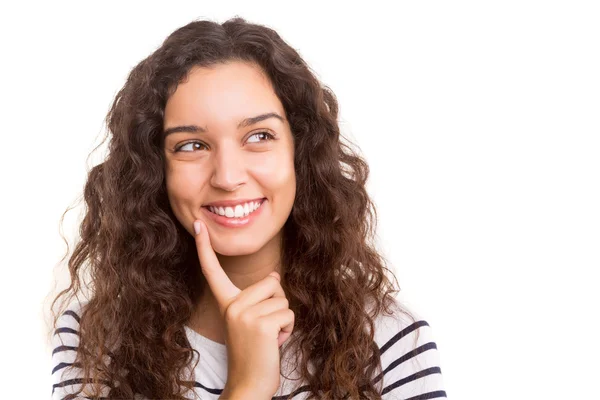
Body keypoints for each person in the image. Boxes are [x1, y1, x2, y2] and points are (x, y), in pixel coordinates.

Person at [48, 17, 447, 400]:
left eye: (259, 136)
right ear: (156, 169)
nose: (227, 176)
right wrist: (246, 387)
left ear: (300, 152)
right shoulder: (96, 339)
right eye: (191, 145)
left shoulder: (388, 340)